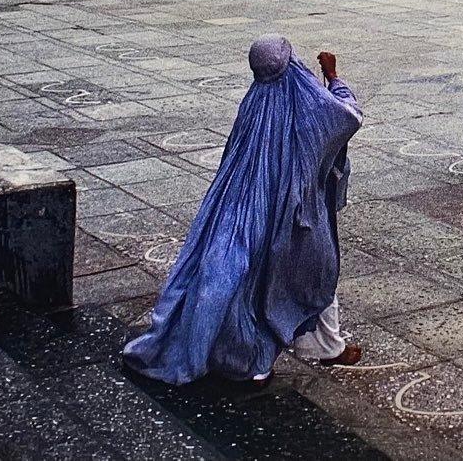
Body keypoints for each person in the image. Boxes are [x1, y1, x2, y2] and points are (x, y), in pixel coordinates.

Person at [122, 38, 363, 384]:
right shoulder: (307, 103)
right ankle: (277, 352)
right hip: (292, 216)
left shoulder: (253, 104)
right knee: (312, 271)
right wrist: (334, 77)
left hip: (240, 206)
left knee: (247, 276)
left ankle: (306, 348)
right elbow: (347, 116)